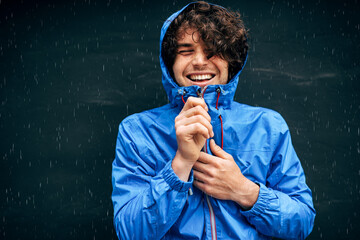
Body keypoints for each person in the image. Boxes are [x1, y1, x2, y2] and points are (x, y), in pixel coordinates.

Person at [112, 1, 316, 239]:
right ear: (170, 63)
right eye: (186, 50)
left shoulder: (269, 125)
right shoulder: (137, 131)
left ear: (232, 61)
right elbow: (130, 233)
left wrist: (244, 191)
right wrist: (181, 163)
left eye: (213, 51)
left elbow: (302, 221)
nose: (199, 61)